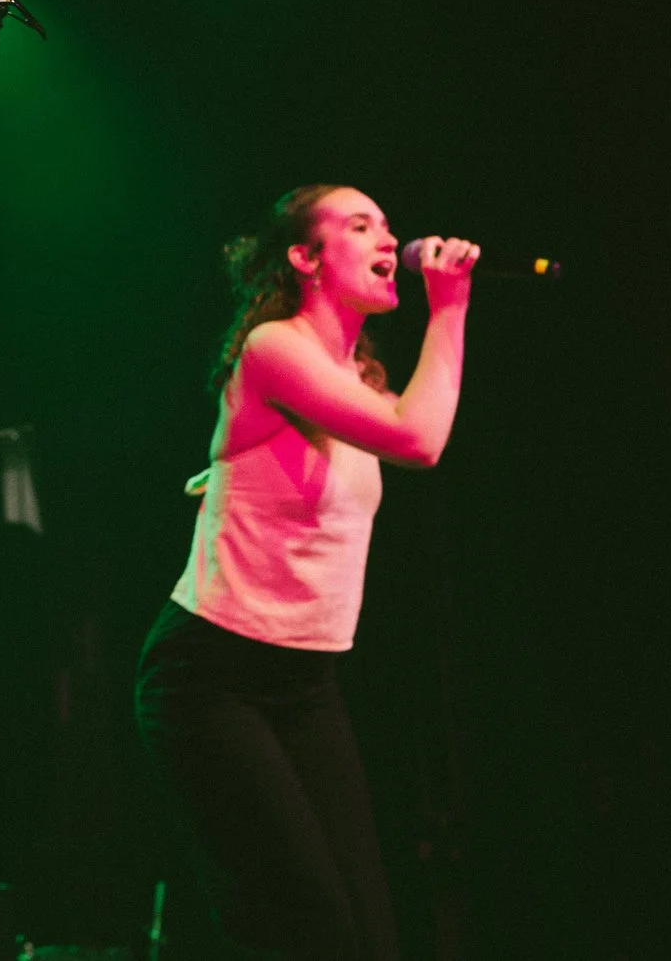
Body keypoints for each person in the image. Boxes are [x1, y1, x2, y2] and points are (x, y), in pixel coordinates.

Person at [133, 185, 477, 960]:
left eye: (390, 226)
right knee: (304, 925)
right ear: (305, 257)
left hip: (303, 683)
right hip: (210, 676)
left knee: (368, 935)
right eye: (361, 226)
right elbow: (419, 440)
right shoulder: (273, 347)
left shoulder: (363, 378)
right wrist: (449, 306)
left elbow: (406, 426)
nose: (390, 238)